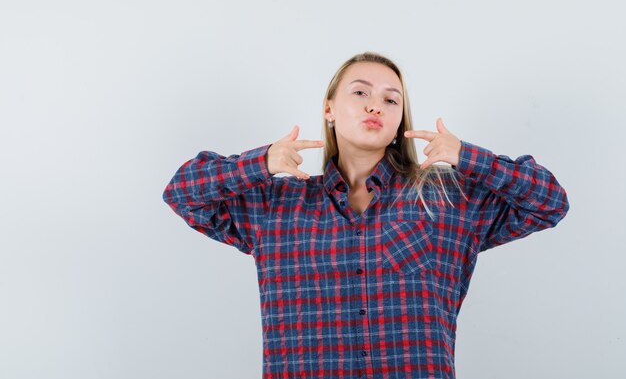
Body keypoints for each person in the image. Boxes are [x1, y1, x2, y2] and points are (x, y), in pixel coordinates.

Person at [162, 51, 569, 379]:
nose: (376, 104)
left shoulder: (446, 199)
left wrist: (469, 159)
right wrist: (260, 164)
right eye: (360, 93)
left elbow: (549, 201)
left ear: (398, 125)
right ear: (329, 109)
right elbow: (182, 193)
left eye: (391, 99)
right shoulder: (274, 206)